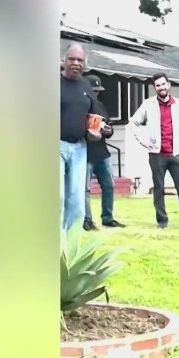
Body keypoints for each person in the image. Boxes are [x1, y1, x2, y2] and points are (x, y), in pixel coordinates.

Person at [127, 73, 179, 229]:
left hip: (176, 154)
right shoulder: (148, 105)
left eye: (163, 84)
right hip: (157, 155)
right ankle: (162, 221)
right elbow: (133, 123)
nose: (161, 87)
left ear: (168, 85)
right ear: (155, 88)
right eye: (157, 85)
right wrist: (143, 141)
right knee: (159, 188)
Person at [60, 43, 102, 230]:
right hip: (56, 146)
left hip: (79, 147)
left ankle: (70, 246)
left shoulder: (86, 85)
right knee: (58, 197)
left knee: (76, 198)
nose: (76, 63)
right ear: (64, 60)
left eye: (80, 60)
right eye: (72, 59)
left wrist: (96, 132)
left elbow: (93, 114)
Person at [82, 75, 126, 230]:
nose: (96, 93)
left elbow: (108, 127)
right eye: (94, 91)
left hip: (102, 152)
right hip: (86, 153)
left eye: (98, 91)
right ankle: (87, 220)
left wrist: (109, 130)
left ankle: (108, 218)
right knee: (85, 189)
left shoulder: (100, 106)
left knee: (108, 186)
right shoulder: (80, 105)